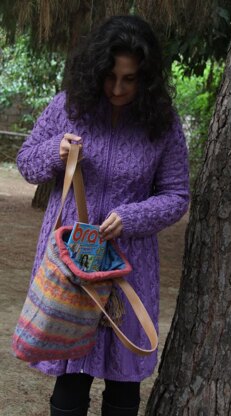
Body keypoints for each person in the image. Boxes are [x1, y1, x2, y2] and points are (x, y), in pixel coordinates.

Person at [16, 15, 190, 416]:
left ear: (145, 78)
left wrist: (132, 217)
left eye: (129, 79)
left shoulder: (161, 123)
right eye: (111, 76)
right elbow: (26, 162)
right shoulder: (68, 107)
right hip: (72, 266)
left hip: (129, 268)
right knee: (71, 379)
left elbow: (177, 195)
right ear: (96, 70)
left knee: (123, 384)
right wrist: (53, 152)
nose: (117, 88)